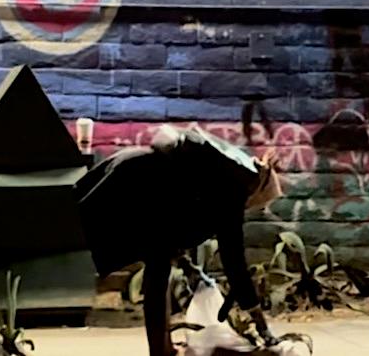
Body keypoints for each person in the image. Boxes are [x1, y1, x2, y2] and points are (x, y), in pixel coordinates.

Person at [74, 125, 283, 356]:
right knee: (157, 270)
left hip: (132, 170)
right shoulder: (232, 192)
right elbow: (235, 264)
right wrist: (261, 323)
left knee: (158, 268)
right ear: (257, 192)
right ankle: (160, 350)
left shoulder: (227, 172)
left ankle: (162, 348)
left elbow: (185, 212)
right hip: (139, 186)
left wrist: (183, 259)